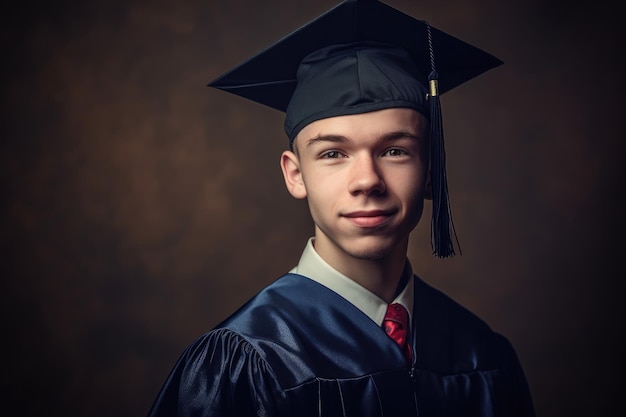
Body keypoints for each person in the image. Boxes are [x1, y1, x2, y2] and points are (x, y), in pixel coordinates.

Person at [147, 0, 535, 416]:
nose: (367, 180)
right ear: (295, 175)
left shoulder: (482, 355)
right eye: (333, 153)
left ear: (429, 171)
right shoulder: (247, 360)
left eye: (394, 150)